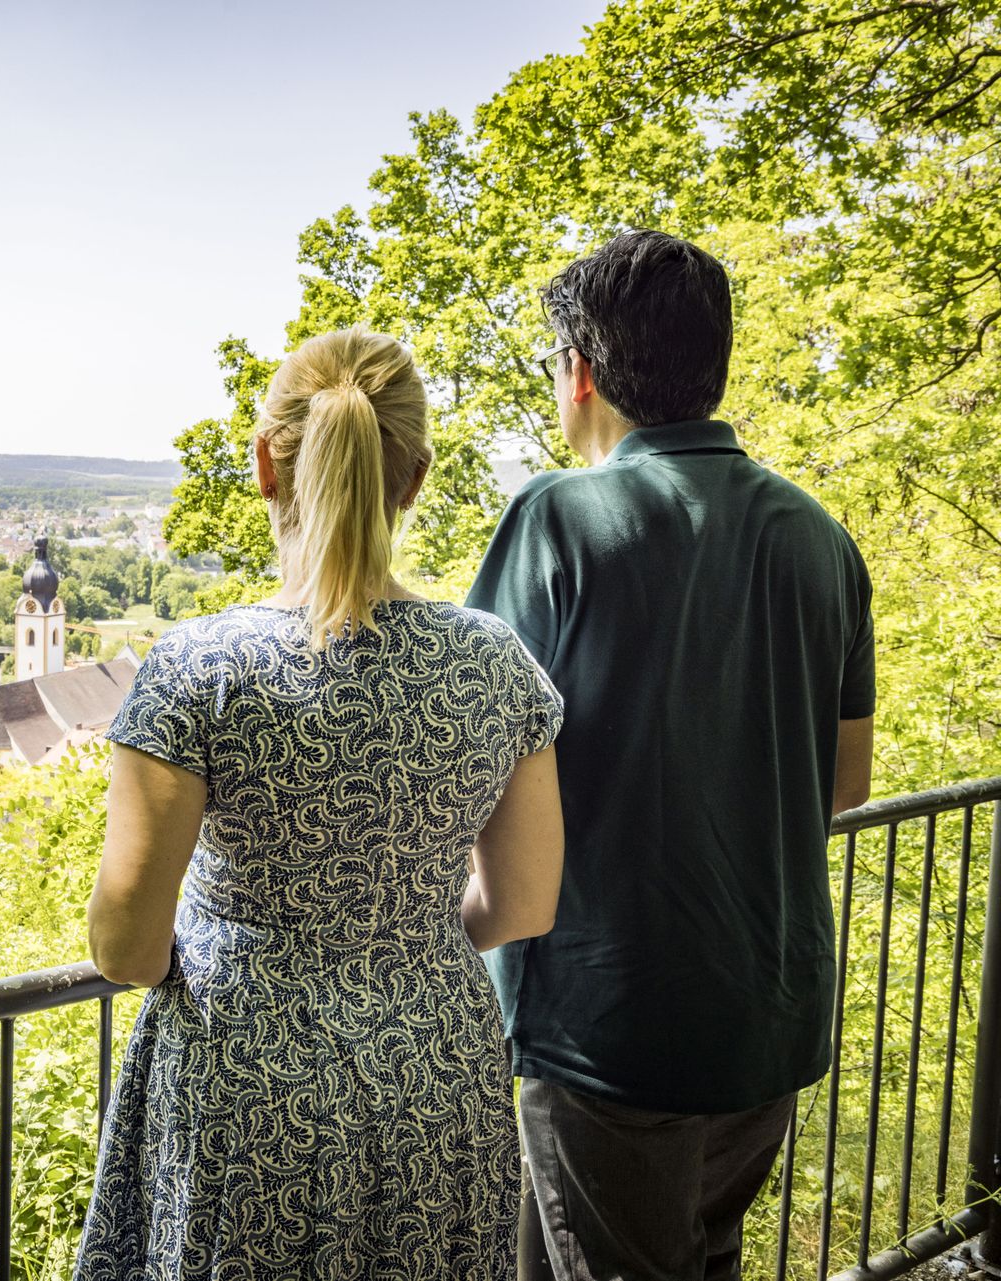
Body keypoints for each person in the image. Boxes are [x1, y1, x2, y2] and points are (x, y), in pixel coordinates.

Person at [75, 328, 566, 1280]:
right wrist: (398, 939)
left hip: (247, 1081)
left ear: (266, 463)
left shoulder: (198, 668)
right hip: (436, 1068)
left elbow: (126, 943)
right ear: (415, 477)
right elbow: (526, 903)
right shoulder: (493, 662)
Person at [464, 230, 876, 1281]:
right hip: (768, 1013)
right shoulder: (819, 537)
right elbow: (845, 783)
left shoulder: (557, 518)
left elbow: (468, 765)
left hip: (614, 1025)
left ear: (581, 370)